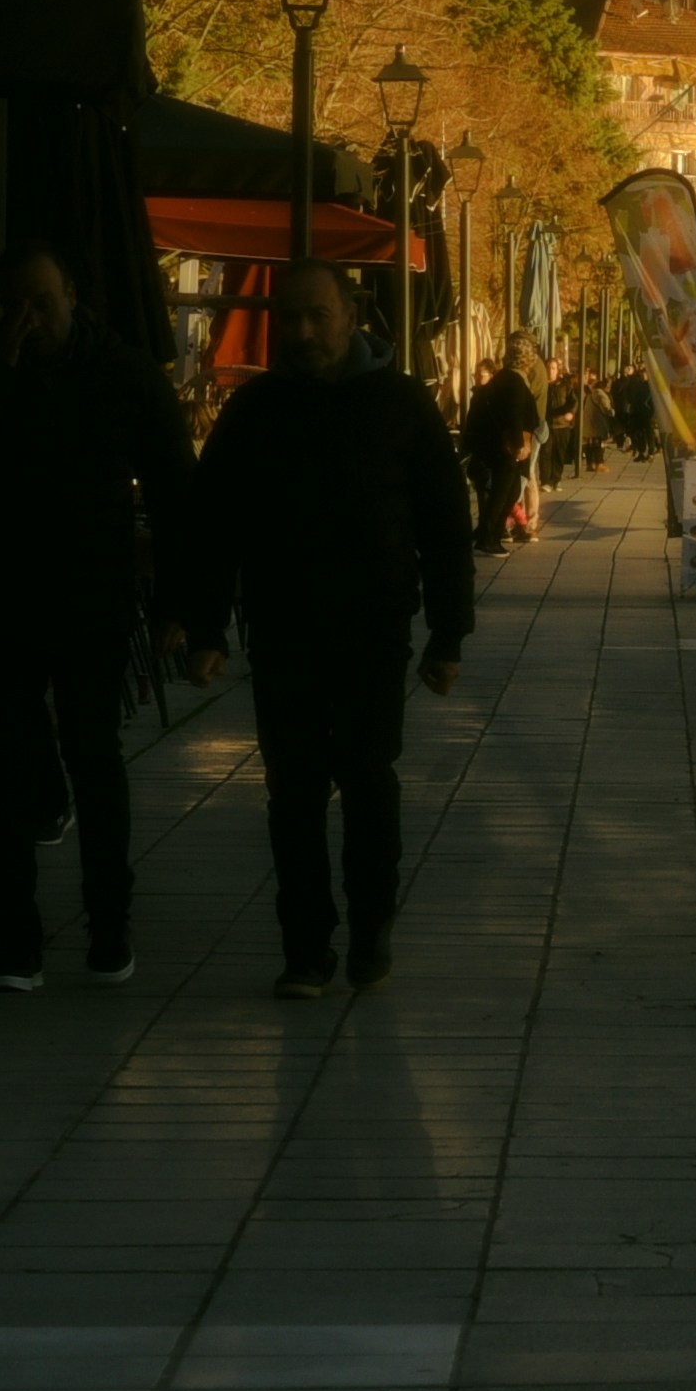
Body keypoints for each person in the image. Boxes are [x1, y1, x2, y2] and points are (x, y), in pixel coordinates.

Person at [177, 261, 475, 1000]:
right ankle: (305, 947)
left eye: (319, 316)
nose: (304, 332)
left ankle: (373, 921)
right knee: (295, 792)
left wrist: (448, 634)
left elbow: (444, 524)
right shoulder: (257, 410)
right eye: (292, 319)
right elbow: (213, 523)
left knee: (370, 778)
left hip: (374, 628)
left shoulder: (402, 405)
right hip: (283, 628)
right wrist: (204, 624)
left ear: (352, 317)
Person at [0, 244, 195, 993]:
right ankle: (19, 938)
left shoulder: (122, 372)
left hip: (89, 596)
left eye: (44, 302)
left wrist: (177, 605)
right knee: (3, 767)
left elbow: (173, 485)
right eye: (17, 305)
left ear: (75, 295)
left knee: (93, 760)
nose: (31, 319)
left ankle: (109, 928)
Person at [454, 348, 543, 553]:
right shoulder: (514, 381)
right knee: (505, 491)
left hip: (496, 445)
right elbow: (514, 414)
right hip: (507, 447)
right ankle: (489, 536)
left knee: (506, 491)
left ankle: (487, 533)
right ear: (526, 362)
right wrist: (520, 444)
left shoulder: (504, 379)